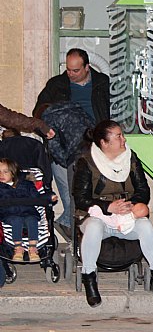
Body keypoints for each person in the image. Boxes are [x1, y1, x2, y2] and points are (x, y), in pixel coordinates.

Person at [73, 120, 153, 307]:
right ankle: (89, 279)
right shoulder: (87, 161)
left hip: (126, 215)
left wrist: (130, 205)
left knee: (145, 226)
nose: (124, 139)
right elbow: (81, 199)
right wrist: (108, 207)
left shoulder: (131, 158)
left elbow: (143, 190)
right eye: (118, 136)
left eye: (122, 135)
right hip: (97, 215)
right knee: (93, 227)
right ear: (104, 143)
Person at [34, 48, 110, 238]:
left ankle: (74, 229)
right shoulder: (56, 85)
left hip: (95, 147)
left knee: (90, 192)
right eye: (68, 69)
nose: (70, 74)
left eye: (75, 70)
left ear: (87, 67)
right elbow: (38, 114)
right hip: (62, 147)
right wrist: (45, 131)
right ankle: (75, 232)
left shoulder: (103, 83)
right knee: (70, 194)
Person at [0, 158, 56, 262]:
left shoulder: (26, 185)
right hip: (9, 214)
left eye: (5, 172)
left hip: (28, 211)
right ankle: (18, 248)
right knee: (16, 220)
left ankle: (33, 247)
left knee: (32, 219)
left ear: (13, 173)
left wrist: (49, 197)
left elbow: (38, 197)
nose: (1, 175)